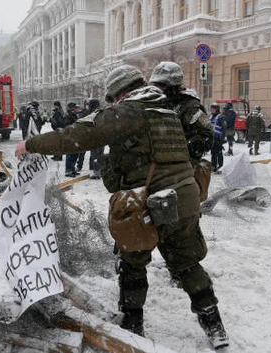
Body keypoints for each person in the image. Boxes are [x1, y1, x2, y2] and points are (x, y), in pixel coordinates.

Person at [15, 64, 229, 350]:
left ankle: (131, 326)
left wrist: (32, 144)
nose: (113, 103)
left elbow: (78, 136)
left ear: (122, 93)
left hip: (150, 202)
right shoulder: (166, 109)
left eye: (113, 98)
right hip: (185, 198)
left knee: (133, 264)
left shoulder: (130, 110)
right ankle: (215, 327)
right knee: (188, 263)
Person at [148, 62, 213, 163]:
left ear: (174, 85)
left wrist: (182, 148)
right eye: (156, 85)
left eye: (162, 85)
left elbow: (207, 136)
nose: (158, 89)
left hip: (182, 166)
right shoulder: (157, 102)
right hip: (158, 164)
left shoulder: (191, 107)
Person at [85, 98, 104, 179]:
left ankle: (97, 173)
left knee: (95, 155)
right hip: (102, 137)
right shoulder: (102, 112)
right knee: (100, 154)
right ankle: (100, 171)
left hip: (95, 137)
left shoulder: (93, 113)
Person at [63, 102, 80, 177]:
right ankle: (68, 170)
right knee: (70, 154)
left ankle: (72, 169)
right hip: (70, 138)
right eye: (76, 108)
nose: (77, 109)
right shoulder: (68, 116)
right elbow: (67, 126)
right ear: (72, 108)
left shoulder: (74, 115)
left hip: (75, 137)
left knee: (75, 154)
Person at [208, 102, 226, 173]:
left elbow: (224, 128)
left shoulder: (220, 117)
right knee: (213, 153)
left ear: (217, 109)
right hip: (212, 138)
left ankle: (220, 166)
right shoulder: (210, 116)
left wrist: (222, 139)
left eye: (213, 109)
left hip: (218, 138)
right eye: (211, 109)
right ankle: (213, 166)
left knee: (219, 153)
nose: (211, 110)